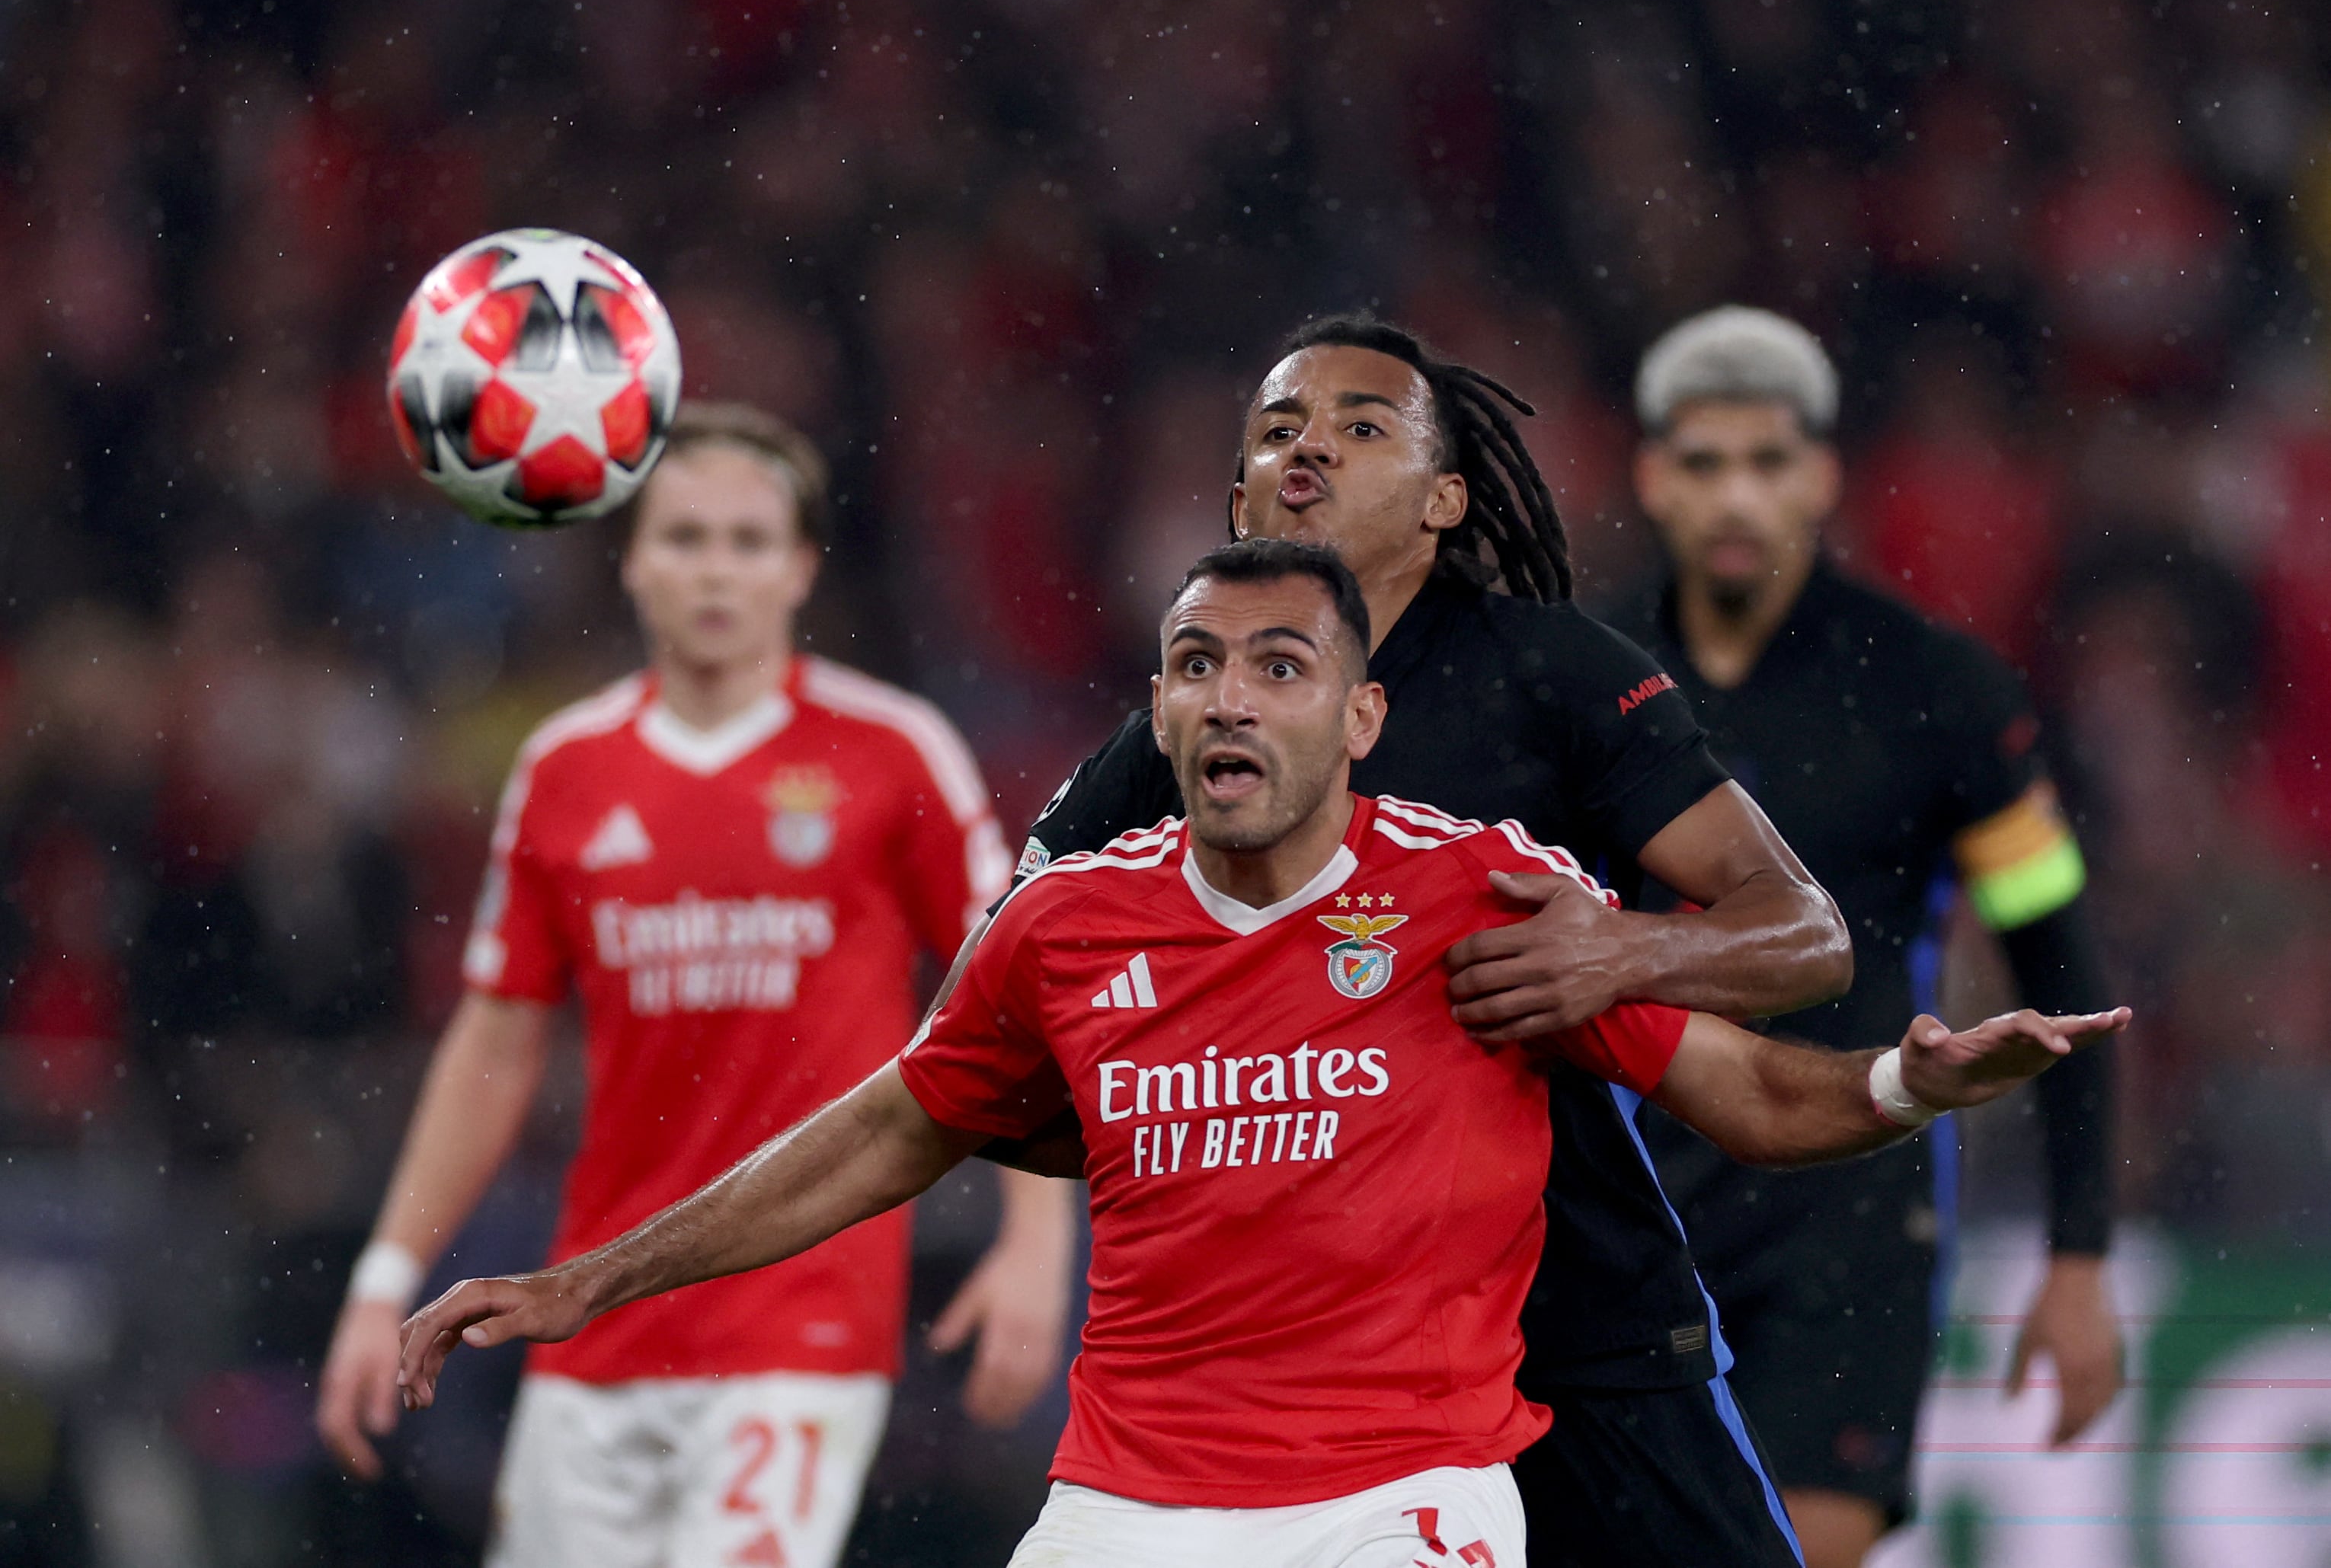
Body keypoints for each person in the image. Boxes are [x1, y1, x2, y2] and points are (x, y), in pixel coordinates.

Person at [391, 541, 2125, 1568]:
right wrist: (586, 1281)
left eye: (1279, 667)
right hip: (1126, 1511)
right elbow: (884, 1131)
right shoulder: (1064, 927)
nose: (1230, 695)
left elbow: (1745, 1089)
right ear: (1160, 710)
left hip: (1401, 1507)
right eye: (1196, 665)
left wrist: (1908, 1084)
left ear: (1358, 718)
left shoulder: (1481, 893)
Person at [1013, 315, 1850, 1565]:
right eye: (1278, 432)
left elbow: (1804, 933)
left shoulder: (1557, 676)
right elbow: (998, 1025)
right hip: (1325, 1384)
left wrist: (1618, 953)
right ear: (1239, 503)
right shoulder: (1178, 743)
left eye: (1360, 428)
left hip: (1585, 1318)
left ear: (1445, 500)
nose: (1308, 449)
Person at [314, 403, 1076, 1568]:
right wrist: (385, 1279)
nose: (716, 569)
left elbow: (1009, 994)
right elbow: (495, 1043)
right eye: (685, 537)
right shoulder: (566, 769)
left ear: (801, 567)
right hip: (593, 1309)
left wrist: (1036, 1241)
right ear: (631, 561)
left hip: (802, 1311)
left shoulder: (891, 751)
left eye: (748, 540)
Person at [1616, 307, 2122, 1568]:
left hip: (1851, 1204)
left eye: (1769, 460)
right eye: (1706, 462)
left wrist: (2078, 1258)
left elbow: (2062, 968)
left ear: (1824, 476)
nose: (1738, 494)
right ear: (1653, 478)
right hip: (1630, 1200)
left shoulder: (1942, 693)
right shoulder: (1582, 681)